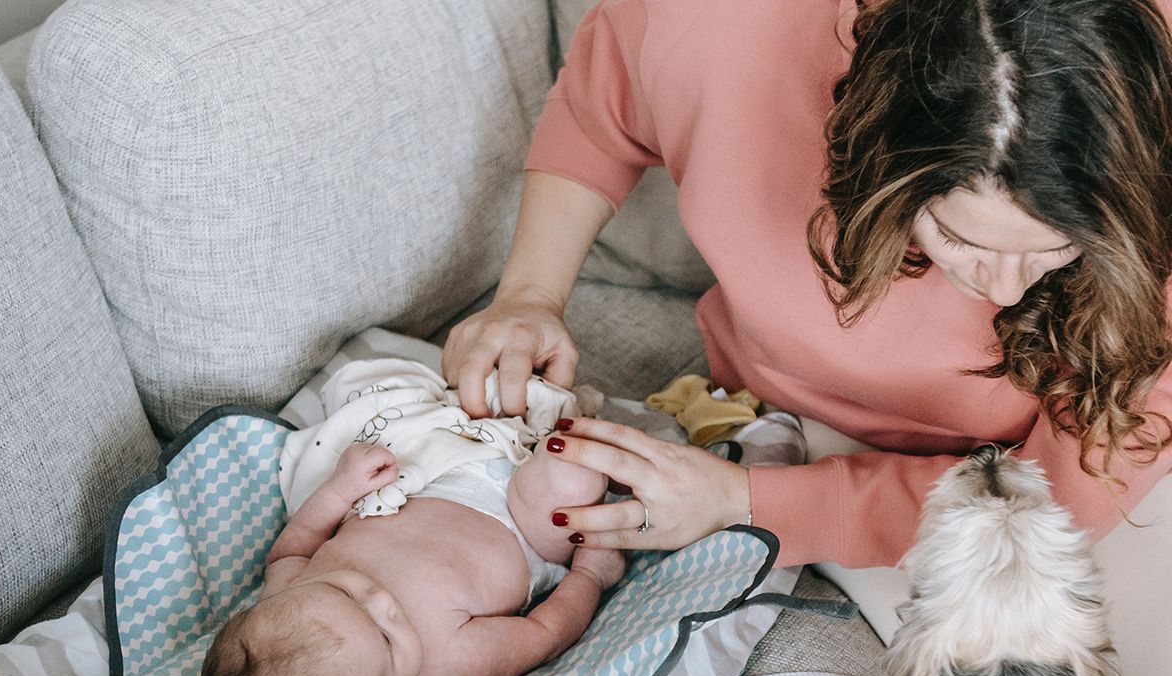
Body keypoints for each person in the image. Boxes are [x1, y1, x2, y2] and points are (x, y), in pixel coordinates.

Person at [441, 0, 1172, 568]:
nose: (1008, 292)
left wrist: (745, 502)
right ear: (874, 151)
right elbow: (602, 105)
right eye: (959, 238)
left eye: (1057, 247)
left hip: (1004, 497)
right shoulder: (726, 24)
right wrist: (530, 295)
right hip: (756, 407)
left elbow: (1059, 501)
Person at [199, 359, 624, 676]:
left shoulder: (286, 596)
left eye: (344, 593)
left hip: (427, 474)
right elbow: (544, 634)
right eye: (386, 638)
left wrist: (339, 490)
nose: (382, 600)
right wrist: (589, 577)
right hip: (521, 525)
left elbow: (290, 550)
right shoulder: (452, 664)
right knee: (579, 465)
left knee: (385, 391)